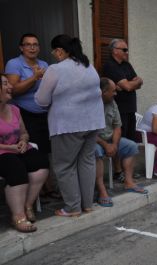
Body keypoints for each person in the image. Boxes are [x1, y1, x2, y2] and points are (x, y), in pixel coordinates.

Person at [35, 34, 105, 217]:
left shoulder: (55, 69)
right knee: (86, 162)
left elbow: (41, 100)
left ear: (59, 51)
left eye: (54, 52)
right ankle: (87, 204)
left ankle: (73, 207)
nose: (53, 55)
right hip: (92, 122)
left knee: (64, 166)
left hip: (68, 124)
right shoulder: (89, 67)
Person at [5, 34, 58, 199]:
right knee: (36, 149)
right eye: (28, 45)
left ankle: (46, 187)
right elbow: (13, 90)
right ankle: (42, 190)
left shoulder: (43, 64)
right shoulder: (14, 64)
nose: (32, 47)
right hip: (25, 113)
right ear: (21, 48)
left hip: (45, 113)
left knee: (46, 150)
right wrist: (34, 77)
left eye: (35, 44)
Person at [0, 73, 48, 232]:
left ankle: (27, 204)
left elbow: (24, 132)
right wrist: (9, 148)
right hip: (3, 153)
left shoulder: (14, 109)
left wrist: (23, 141)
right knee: (16, 168)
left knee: (40, 163)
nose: (10, 87)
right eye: (5, 84)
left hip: (17, 149)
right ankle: (17, 216)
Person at [95, 78, 147, 207]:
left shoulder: (112, 103)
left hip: (110, 140)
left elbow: (117, 127)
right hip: (95, 141)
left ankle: (128, 182)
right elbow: (88, 132)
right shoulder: (91, 105)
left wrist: (114, 144)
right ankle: (102, 191)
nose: (115, 94)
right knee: (95, 152)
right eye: (113, 91)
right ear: (103, 92)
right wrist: (106, 145)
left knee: (131, 146)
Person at [103, 39, 143, 141]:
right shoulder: (110, 65)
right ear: (115, 51)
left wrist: (131, 84)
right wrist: (131, 84)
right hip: (120, 110)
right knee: (122, 140)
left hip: (131, 108)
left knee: (131, 139)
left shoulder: (127, 65)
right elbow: (128, 87)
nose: (127, 52)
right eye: (124, 50)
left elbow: (139, 82)